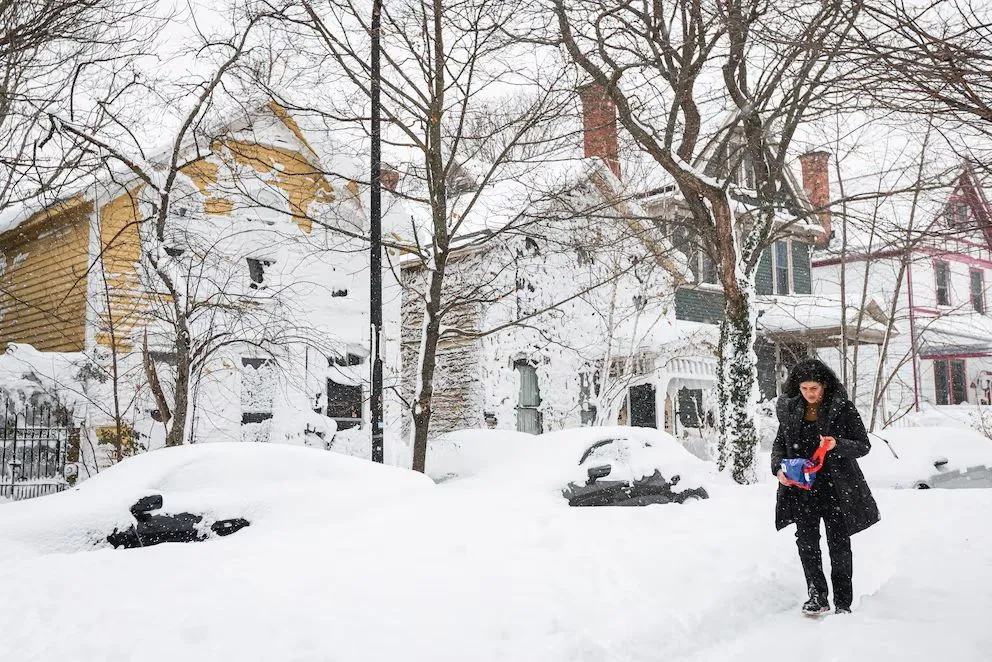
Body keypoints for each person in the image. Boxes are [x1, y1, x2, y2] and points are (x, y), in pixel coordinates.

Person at [772, 358, 880, 615]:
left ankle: (843, 602)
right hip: (801, 489)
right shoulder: (789, 410)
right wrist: (778, 470)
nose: (809, 394)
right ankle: (817, 595)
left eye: (814, 389)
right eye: (804, 389)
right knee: (807, 543)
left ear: (824, 387)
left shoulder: (842, 408)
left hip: (837, 488)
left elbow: (863, 445)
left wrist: (836, 444)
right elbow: (779, 444)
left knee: (838, 544)